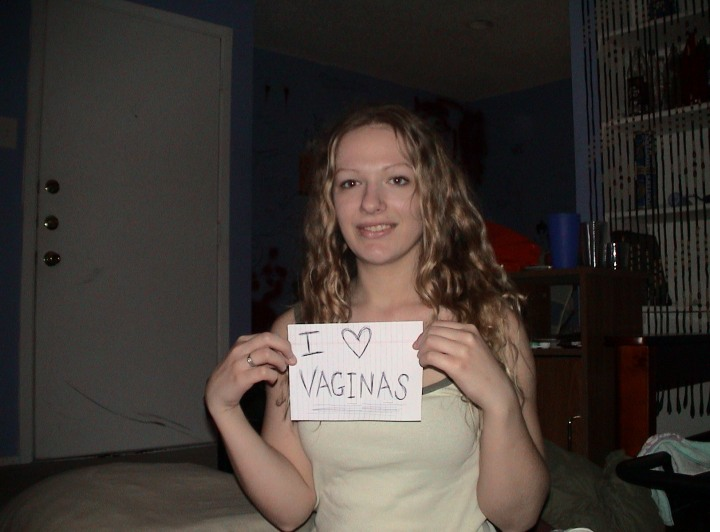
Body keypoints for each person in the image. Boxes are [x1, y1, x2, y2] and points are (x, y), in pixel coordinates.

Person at [205, 104, 550, 531]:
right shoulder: (298, 332)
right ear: (331, 204)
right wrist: (225, 410)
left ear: (433, 195)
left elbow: (518, 518)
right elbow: (291, 509)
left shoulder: (491, 322)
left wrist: (500, 403)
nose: (371, 203)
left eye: (397, 179)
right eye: (350, 183)